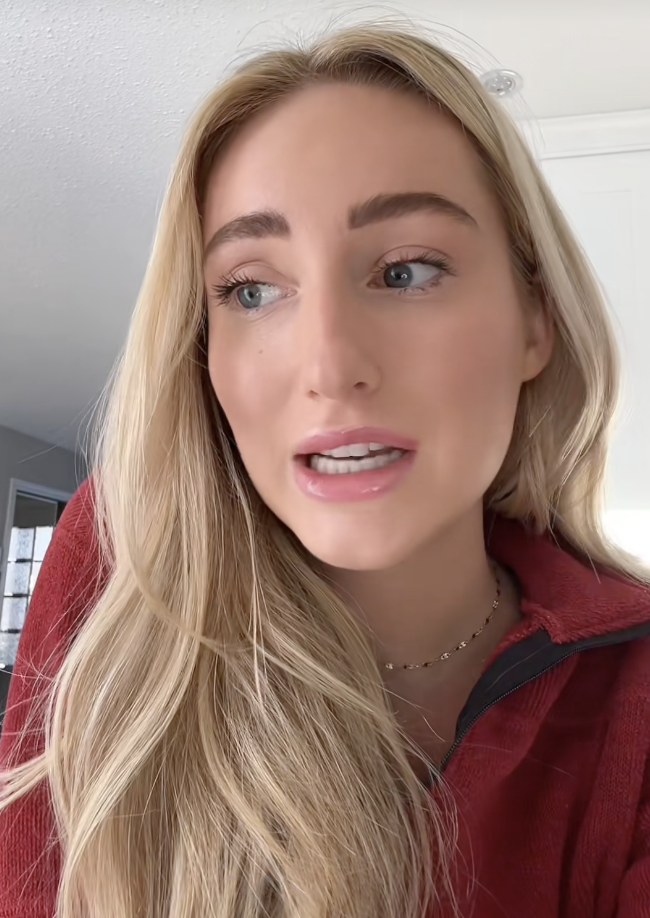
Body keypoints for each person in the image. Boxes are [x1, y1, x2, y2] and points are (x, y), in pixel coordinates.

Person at [1, 20, 650, 918]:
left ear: (535, 321)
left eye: (407, 270)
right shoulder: (126, 556)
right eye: (252, 290)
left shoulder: (633, 697)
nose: (329, 366)